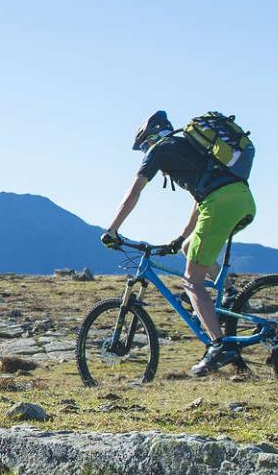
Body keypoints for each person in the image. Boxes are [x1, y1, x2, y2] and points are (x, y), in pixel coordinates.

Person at [100, 110, 257, 376]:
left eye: (144, 146)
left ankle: (219, 346)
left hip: (218, 204)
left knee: (192, 281)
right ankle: (230, 296)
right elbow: (200, 196)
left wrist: (113, 229)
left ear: (150, 139)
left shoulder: (160, 150)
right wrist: (182, 237)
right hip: (243, 200)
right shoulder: (192, 146)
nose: (145, 151)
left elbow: (134, 192)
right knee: (188, 249)